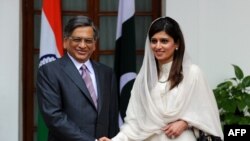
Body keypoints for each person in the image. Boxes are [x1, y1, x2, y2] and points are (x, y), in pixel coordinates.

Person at [99, 16, 223, 141]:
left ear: (177, 43)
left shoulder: (192, 73)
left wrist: (185, 122)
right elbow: (134, 121)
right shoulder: (143, 80)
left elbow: (207, 115)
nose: (158, 46)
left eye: (164, 41)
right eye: (154, 41)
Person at [36, 16, 119, 141]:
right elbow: (54, 118)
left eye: (88, 41)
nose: (83, 45)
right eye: (77, 39)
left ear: (94, 45)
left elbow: (112, 117)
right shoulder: (49, 71)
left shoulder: (106, 73)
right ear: (65, 42)